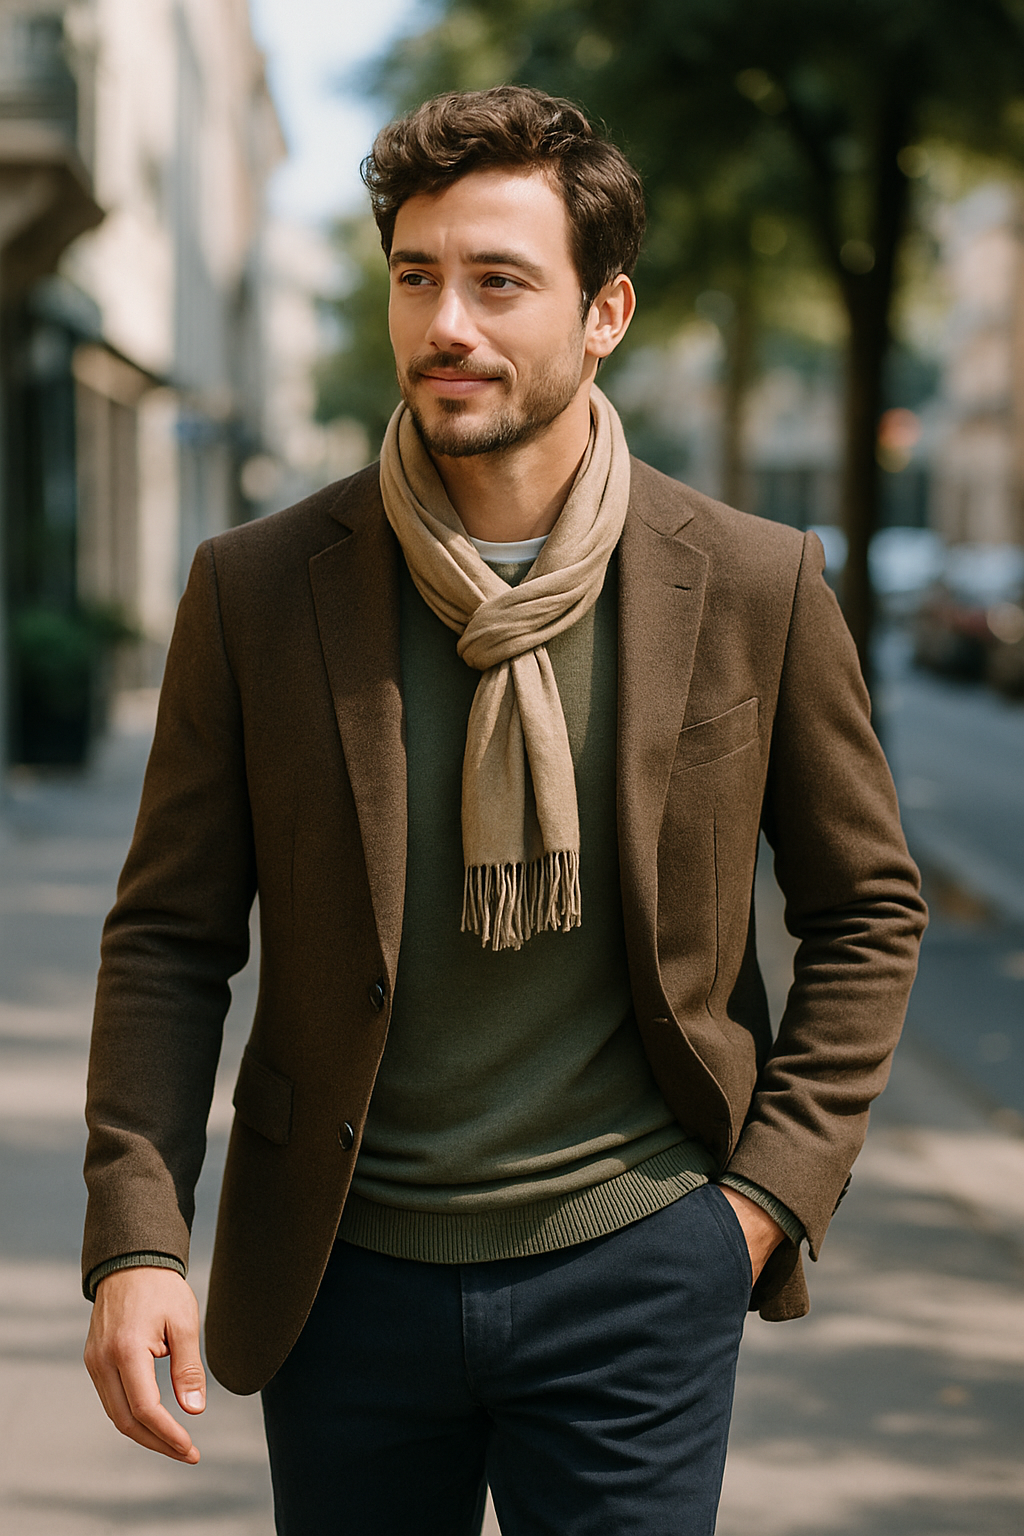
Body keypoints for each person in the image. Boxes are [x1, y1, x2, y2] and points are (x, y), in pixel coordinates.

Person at [83, 85, 926, 1535]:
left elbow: (867, 910)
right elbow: (168, 937)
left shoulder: (750, 581)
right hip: (344, 1277)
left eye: (498, 282)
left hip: (639, 1263)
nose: (446, 325)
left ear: (606, 312)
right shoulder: (261, 587)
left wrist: (758, 1207)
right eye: (417, 277)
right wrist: (136, 1242)